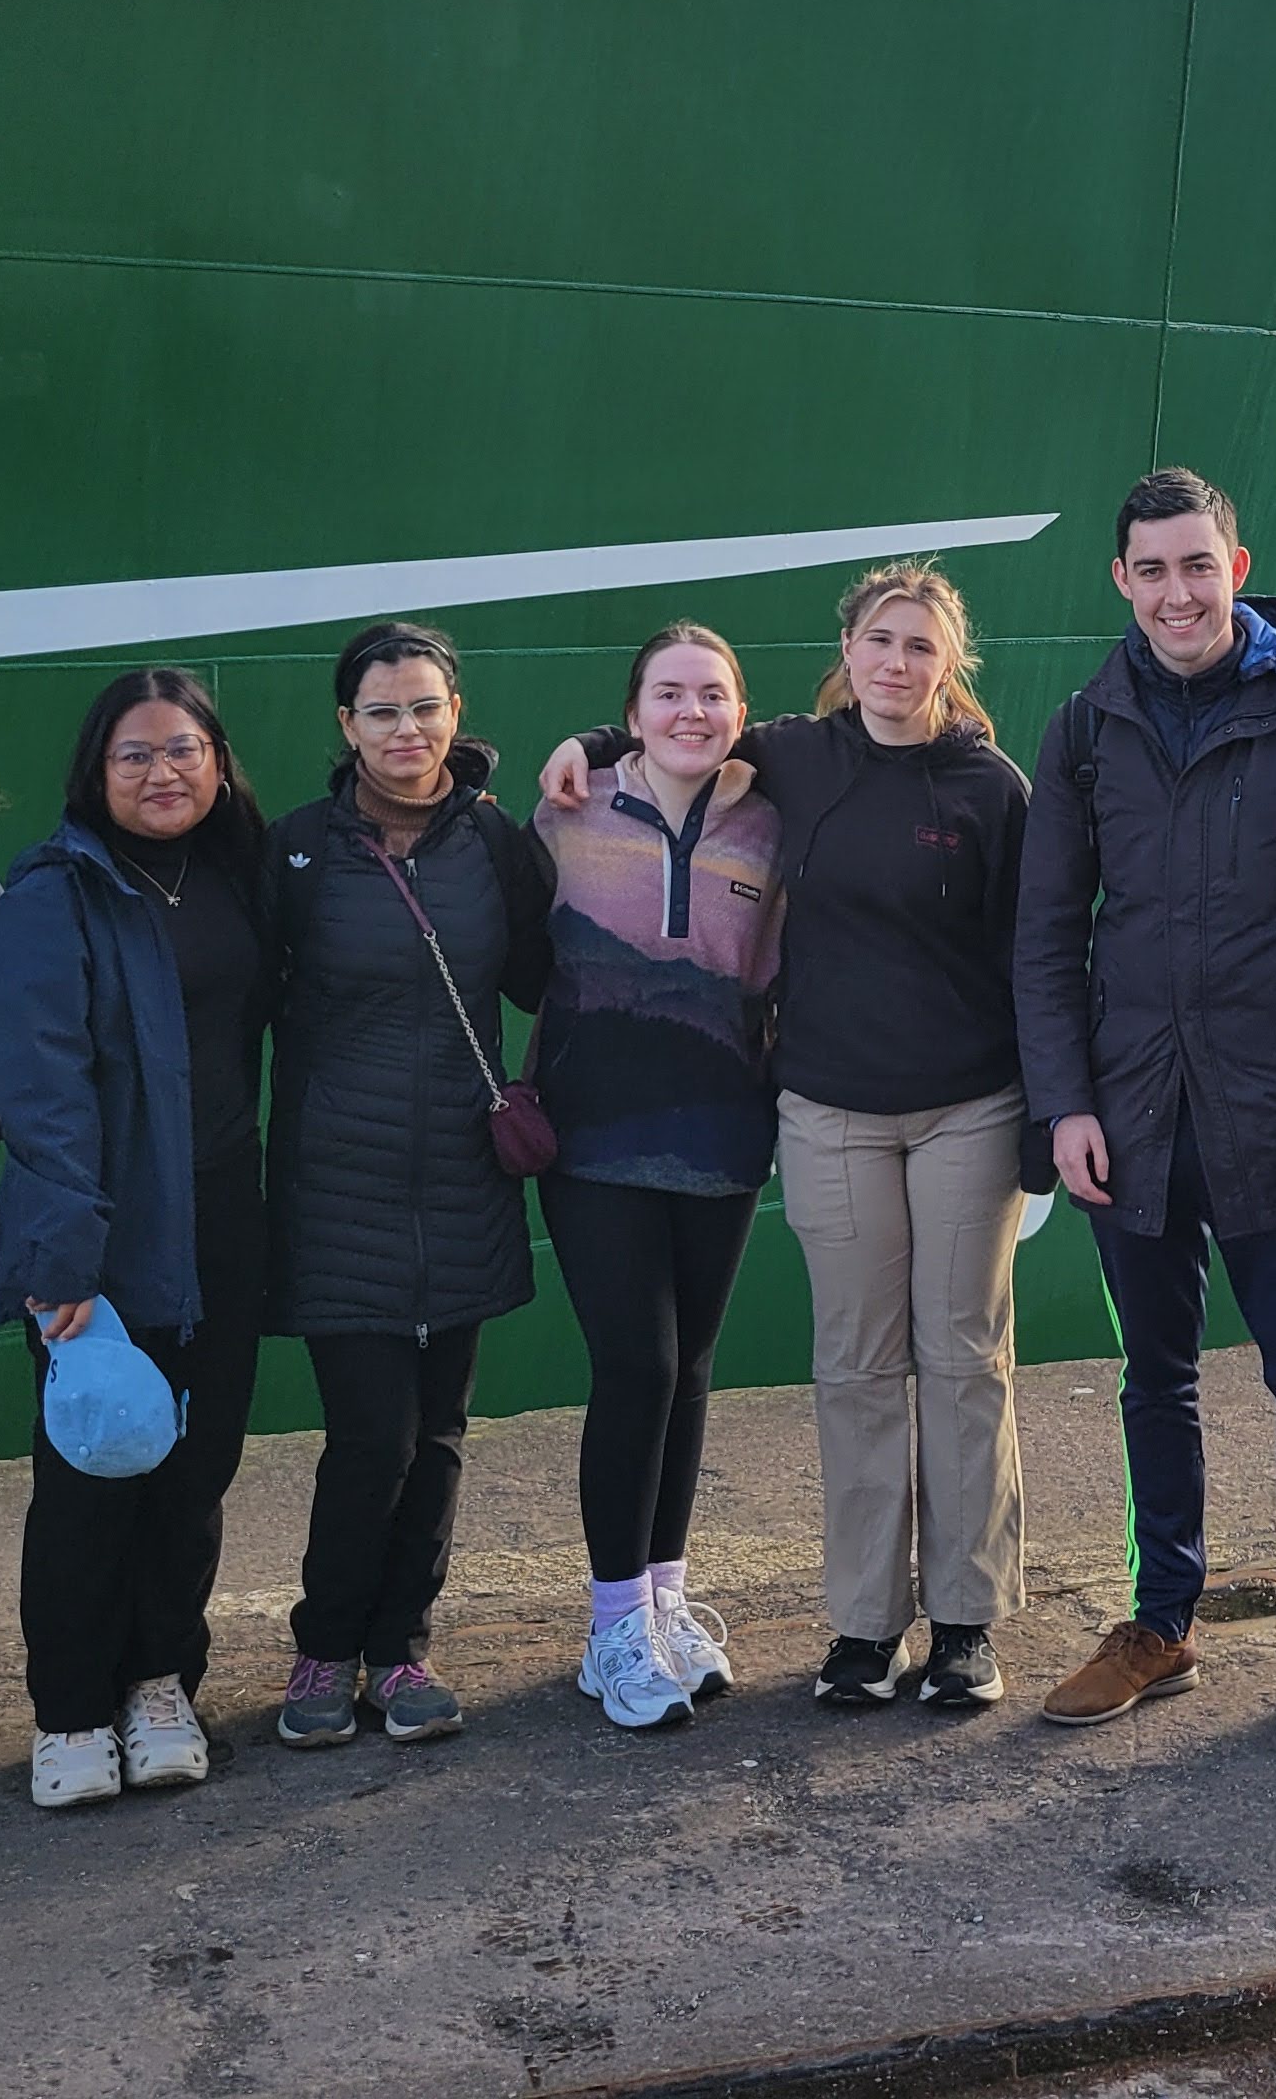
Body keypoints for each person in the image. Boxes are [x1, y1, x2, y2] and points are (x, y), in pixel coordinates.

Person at [541, 561, 1033, 1713]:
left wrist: (1052, 1112)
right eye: (878, 641)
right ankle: (864, 1630)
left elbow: (1037, 955)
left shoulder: (990, 787)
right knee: (855, 1365)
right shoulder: (800, 754)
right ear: (846, 651)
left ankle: (964, 1623)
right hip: (826, 1105)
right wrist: (584, 743)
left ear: (948, 661)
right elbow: (675, 730)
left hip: (969, 1103)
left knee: (962, 1361)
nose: (896, 664)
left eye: (919, 645)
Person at [1014, 467, 1276, 1763]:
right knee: (1155, 1380)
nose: (1177, 591)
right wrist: (1066, 1104)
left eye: (1199, 565)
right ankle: (1162, 1620)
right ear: (1121, 582)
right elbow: (1046, 938)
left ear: (1236, 569)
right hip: (1131, 1116)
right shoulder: (1085, 732)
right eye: (1152, 570)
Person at [0, 670, 276, 1809]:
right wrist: (61, 1260)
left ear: (217, 760)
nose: (164, 772)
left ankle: (160, 1686)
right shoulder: (54, 899)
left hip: (224, 1221)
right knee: (92, 1473)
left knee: (194, 1475)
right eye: (135, 754)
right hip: (101, 1231)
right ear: (95, 773)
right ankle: (69, 1714)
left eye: (185, 749)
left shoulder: (236, 874)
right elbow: (38, 1097)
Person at [264, 620, 555, 1752]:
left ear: (455, 714)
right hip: (342, 1184)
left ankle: (402, 1650)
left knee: (438, 1433)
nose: (407, 730)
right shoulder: (295, 852)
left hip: (465, 1178)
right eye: (382, 711)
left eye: (426, 708)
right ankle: (326, 1646)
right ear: (347, 725)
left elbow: (548, 973)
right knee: (370, 1434)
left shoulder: (494, 842)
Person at [525, 623, 785, 1732]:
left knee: (689, 1372)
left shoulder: (774, 817)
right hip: (591, 1137)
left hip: (725, 1129)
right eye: (668, 694)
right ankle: (611, 1627)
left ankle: (666, 1603)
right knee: (636, 1363)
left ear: (740, 709)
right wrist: (575, 746)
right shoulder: (561, 811)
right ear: (629, 712)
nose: (692, 712)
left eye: (713, 695)